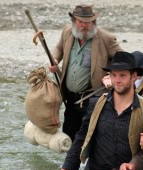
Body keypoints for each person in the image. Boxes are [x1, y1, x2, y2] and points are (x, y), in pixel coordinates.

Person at [49, 4, 122, 141]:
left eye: (88, 22)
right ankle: (70, 162)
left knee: (90, 135)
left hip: (93, 96)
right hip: (70, 97)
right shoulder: (67, 31)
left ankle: (87, 162)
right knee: (69, 133)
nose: (84, 25)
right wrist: (54, 59)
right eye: (81, 22)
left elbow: (122, 60)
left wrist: (110, 76)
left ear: (93, 22)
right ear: (74, 21)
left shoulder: (106, 38)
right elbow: (59, 48)